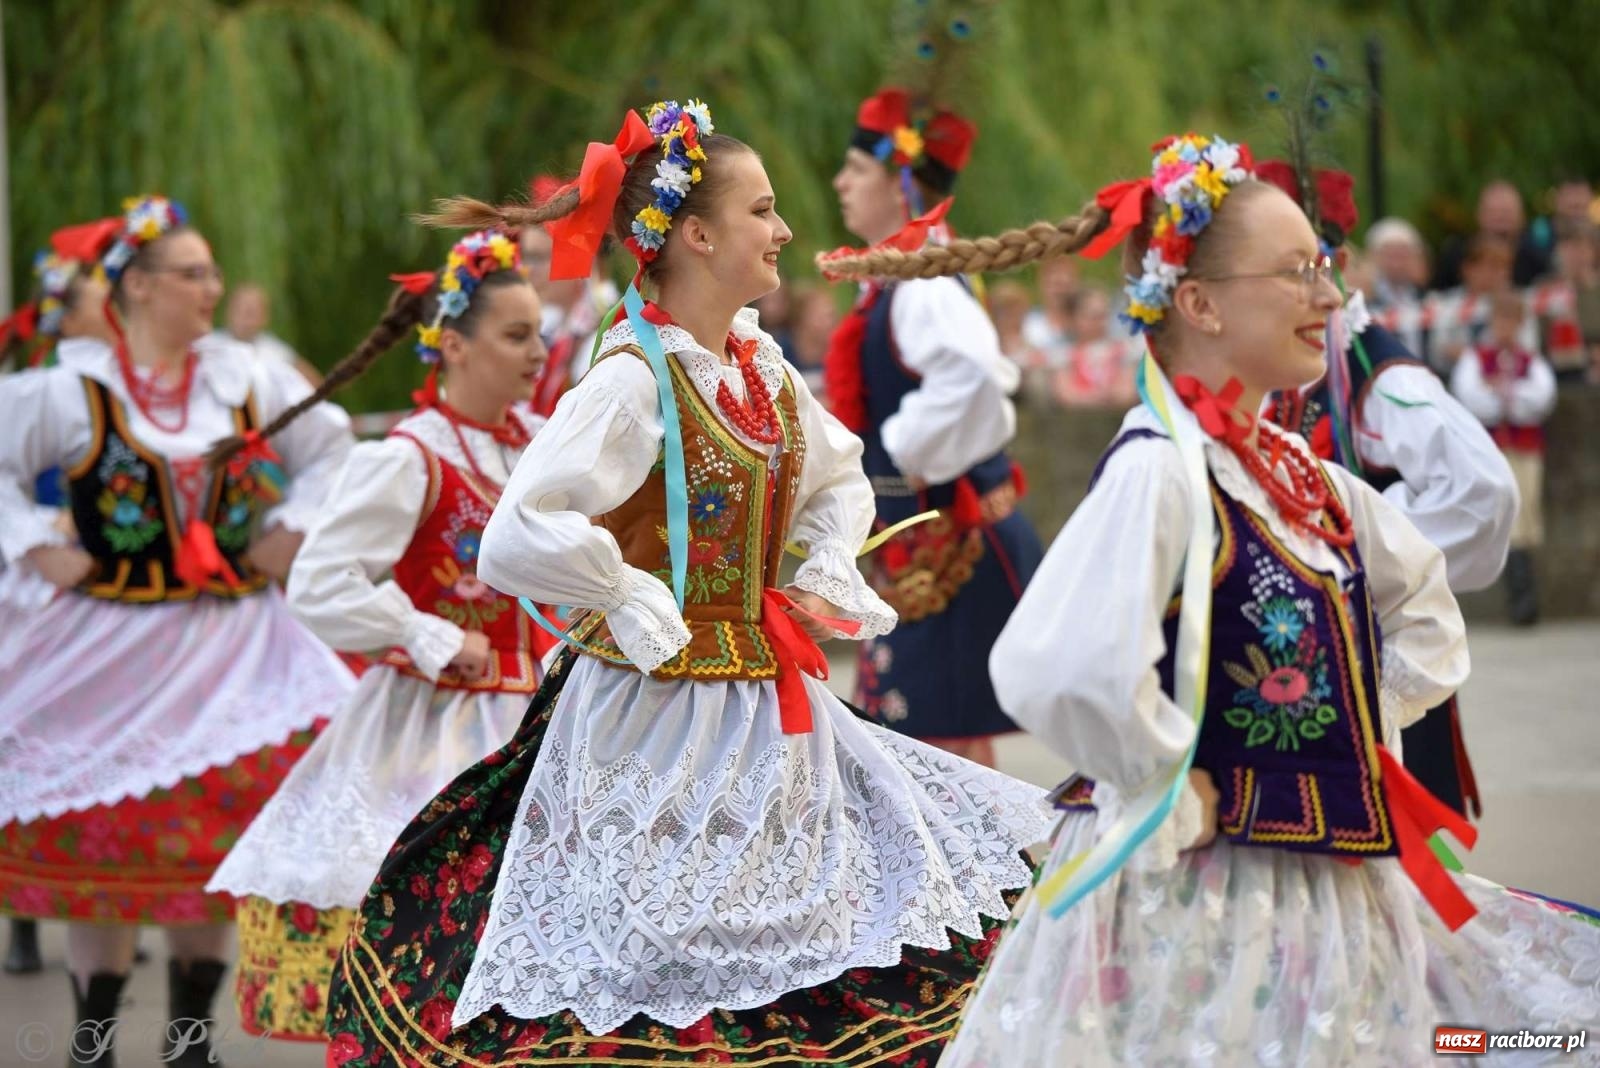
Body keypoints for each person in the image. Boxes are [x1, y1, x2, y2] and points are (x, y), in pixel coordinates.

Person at [820, 132, 1600, 1065]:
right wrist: (1167, 774)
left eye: (1322, 269)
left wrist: (1349, 724)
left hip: (1330, 884)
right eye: (1295, 273)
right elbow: (1051, 665)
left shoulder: (1300, 475)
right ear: (1199, 303)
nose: (1327, 297)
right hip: (1201, 887)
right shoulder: (1163, 469)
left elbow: (1424, 605)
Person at [319, 99, 1048, 1067]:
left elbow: (838, 474)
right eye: (763, 210)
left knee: (823, 930)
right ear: (696, 235)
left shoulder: (759, 365)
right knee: (655, 962)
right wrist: (623, 591)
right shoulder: (633, 380)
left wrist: (827, 556)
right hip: (650, 715)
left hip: (764, 699)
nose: (785, 230)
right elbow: (517, 533)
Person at [0, 195, 355, 1066]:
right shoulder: (74, 390)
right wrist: (35, 542)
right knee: (111, 846)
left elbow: (334, 444)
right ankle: (93, 1039)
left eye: (212, 273)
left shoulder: (245, 378)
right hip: (108, 650)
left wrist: (291, 529)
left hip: (232, 649)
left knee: (213, 844)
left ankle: (190, 1040)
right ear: (139, 288)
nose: (213, 289)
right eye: (193, 274)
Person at [205, 229, 556, 1040]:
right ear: (454, 346)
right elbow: (321, 581)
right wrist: (426, 635)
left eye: (538, 332)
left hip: (541, 715)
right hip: (439, 725)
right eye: (517, 335)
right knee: (437, 927)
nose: (538, 353)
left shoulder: (539, 445)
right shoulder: (409, 458)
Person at [1256, 154, 1517, 818]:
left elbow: (1487, 496)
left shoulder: (1384, 377)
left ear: (1333, 265)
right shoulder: (1277, 370)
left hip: (1375, 671)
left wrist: (1372, 546)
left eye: (1294, 267)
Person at [822, 85, 1043, 767]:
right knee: (937, 745)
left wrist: (898, 449)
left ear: (902, 184)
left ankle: (976, 847)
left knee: (939, 749)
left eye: (856, 169)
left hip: (949, 545)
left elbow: (976, 375)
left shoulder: (923, 284)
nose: (840, 182)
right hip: (930, 544)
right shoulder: (907, 276)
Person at [0, 225, 121, 978]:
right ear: (68, 315)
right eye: (101, 296)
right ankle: (23, 917)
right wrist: (45, 533)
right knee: (30, 735)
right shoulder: (42, 387)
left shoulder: (149, 380)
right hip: (39, 579)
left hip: (110, 583)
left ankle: (112, 904)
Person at [1451, 290, 1558, 626]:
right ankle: (1515, 596)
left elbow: (1542, 398)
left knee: (1527, 516)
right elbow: (1469, 397)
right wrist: (1500, 399)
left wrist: (1508, 394)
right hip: (1491, 450)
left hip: (1524, 449)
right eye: (1501, 320)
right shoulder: (1475, 357)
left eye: (1512, 320)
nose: (1505, 327)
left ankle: (1525, 598)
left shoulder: (1530, 360)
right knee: (1502, 516)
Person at [520, 177, 621, 415]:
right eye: (525, 257)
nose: (527, 271)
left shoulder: (604, 336)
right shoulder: (551, 330)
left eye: (538, 258)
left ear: (578, 257)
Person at [211, 282, 324, 386]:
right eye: (239, 309)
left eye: (251, 312)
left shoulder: (276, 352)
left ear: (265, 317)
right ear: (228, 311)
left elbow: (316, 382)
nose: (244, 318)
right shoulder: (208, 346)